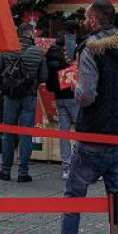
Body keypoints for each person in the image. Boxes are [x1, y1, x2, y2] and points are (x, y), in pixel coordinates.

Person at [57, 0, 118, 234]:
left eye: (86, 17)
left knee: (73, 200)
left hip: (93, 136)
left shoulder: (91, 49)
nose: (83, 21)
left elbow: (87, 96)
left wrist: (73, 82)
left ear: (93, 20)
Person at [0, 23, 47, 183]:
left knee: (8, 134)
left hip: (10, 96)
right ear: (31, 34)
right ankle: (23, 172)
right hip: (29, 97)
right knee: (26, 134)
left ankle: (5, 171)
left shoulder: (7, 50)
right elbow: (44, 77)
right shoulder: (39, 52)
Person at [45, 18, 81, 181]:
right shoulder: (75, 46)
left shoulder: (53, 48)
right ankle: (81, 165)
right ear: (75, 31)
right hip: (73, 94)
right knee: (82, 131)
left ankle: (66, 167)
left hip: (58, 95)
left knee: (63, 132)